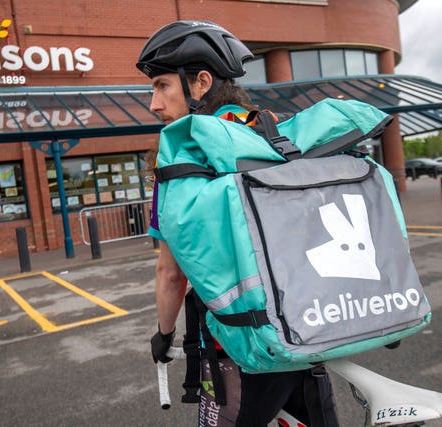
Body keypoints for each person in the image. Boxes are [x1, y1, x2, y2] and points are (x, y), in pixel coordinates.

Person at [137, 20, 339, 427]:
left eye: (161, 86)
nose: (154, 104)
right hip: (307, 325)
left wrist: (163, 336)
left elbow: (171, 273)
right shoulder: (273, 134)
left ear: (201, 83)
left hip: (241, 344)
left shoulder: (181, 163)